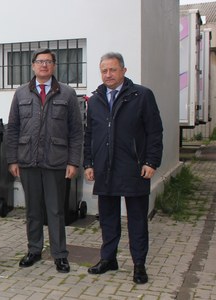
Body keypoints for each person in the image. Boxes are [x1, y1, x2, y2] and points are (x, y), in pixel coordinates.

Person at [84, 52, 163, 284]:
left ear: (124, 71)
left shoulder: (142, 95)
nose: (108, 74)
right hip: (104, 169)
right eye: (104, 70)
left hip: (134, 168)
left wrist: (151, 161)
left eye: (113, 69)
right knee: (108, 219)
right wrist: (88, 163)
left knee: (137, 220)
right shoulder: (96, 99)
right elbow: (90, 135)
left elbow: (155, 131)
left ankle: (139, 265)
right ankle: (108, 259)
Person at [5, 48, 83, 273]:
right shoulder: (20, 94)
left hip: (56, 162)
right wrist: (12, 160)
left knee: (56, 210)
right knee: (33, 210)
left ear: (54, 66)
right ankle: (34, 250)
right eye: (40, 62)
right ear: (32, 66)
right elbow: (13, 129)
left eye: (48, 62)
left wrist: (73, 162)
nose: (44, 65)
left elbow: (76, 132)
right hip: (28, 161)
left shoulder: (67, 94)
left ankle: (59, 255)